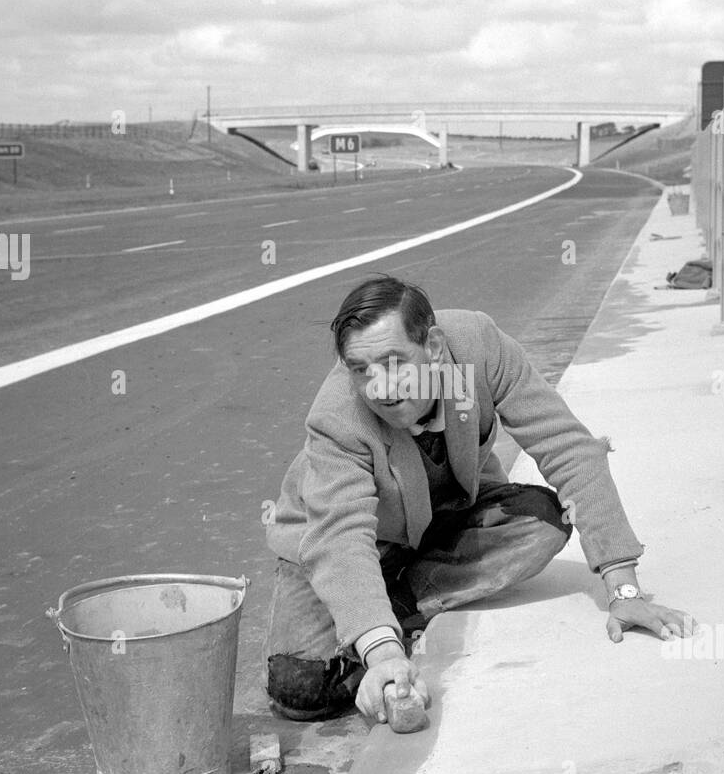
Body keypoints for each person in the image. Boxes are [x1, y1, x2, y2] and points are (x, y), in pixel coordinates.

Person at [263, 274, 694, 724]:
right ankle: (376, 615)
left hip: (443, 517)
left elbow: (567, 447)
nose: (380, 388)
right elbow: (340, 537)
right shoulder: (338, 416)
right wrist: (383, 653)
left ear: (432, 347)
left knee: (541, 521)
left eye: (394, 362)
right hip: (343, 543)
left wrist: (624, 589)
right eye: (360, 369)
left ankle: (403, 606)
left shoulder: (477, 350)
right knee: (304, 688)